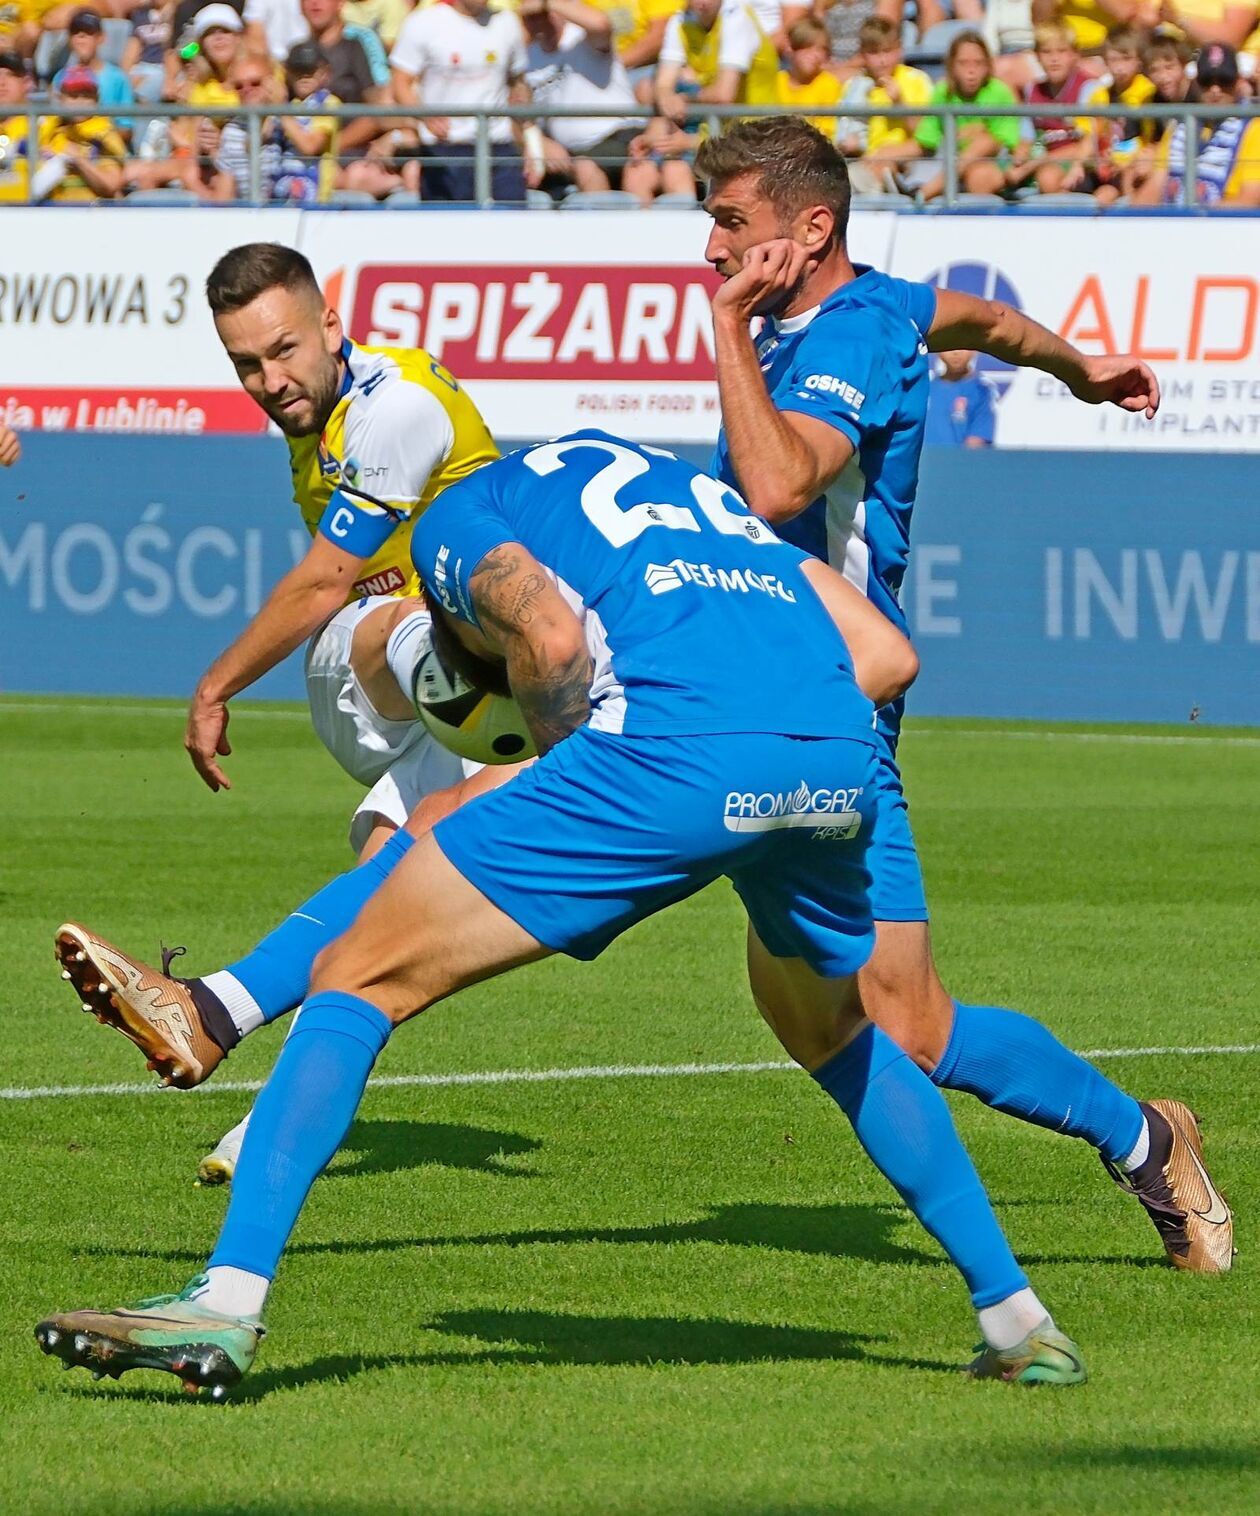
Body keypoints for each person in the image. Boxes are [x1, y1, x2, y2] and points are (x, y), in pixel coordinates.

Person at [41, 430, 1094, 1396]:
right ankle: (1020, 1322)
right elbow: (890, 655)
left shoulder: (458, 518)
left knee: (359, 971)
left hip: (669, 761)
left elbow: (543, 637)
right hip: (836, 758)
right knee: (837, 1031)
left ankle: (225, 1302)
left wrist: (585, 771)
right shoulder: (704, 504)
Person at [695, 115, 1231, 1275]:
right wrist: (1077, 366)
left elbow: (783, 477)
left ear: (811, 227)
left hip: (833, 719)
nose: (711, 246)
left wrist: (728, 325)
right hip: (753, 702)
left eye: (730, 223)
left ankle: (1143, 1140)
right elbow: (979, 320)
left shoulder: (848, 337)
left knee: (906, 1024)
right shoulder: (886, 306)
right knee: (815, 1015)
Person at [389, 0, 532, 202]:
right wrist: (426, 116)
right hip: (446, 148)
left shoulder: (507, 22)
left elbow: (518, 82)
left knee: (510, 224)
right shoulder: (423, 23)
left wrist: (530, 143)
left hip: (499, 146)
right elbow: (400, 82)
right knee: (450, 227)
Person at [521, 0, 656, 201]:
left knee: (588, 167)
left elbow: (601, 24)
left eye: (547, 13)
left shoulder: (582, 38)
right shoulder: (527, 59)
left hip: (619, 136)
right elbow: (517, 112)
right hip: (569, 153)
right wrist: (540, 143)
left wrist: (547, 3)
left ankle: (609, 230)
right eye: (534, 16)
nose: (543, 20)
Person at [1132, 41, 1260, 203]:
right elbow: (1155, 186)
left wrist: (1196, 222)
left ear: (1238, 82)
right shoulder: (1181, 124)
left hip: (1222, 224)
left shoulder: (1254, 128)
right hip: (1174, 220)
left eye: (1224, 81)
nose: (1215, 90)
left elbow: (1250, 198)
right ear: (1196, 83)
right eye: (1207, 82)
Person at [907, 31, 1021, 198]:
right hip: (947, 159)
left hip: (994, 163)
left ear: (988, 66)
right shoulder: (943, 92)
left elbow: (1004, 141)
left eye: (978, 63)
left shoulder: (1000, 92)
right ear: (952, 66)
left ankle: (925, 192)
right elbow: (927, 139)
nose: (971, 72)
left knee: (982, 159)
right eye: (963, 63)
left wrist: (977, 135)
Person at [837, 15, 933, 191]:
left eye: (887, 51)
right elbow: (846, 129)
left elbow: (926, 135)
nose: (882, 60)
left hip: (909, 160)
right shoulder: (854, 86)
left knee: (880, 169)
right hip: (864, 160)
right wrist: (848, 143)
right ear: (862, 55)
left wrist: (899, 103)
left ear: (899, 50)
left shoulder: (917, 80)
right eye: (874, 53)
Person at [1006, 22, 1100, 196]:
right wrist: (1020, 157)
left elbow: (1089, 142)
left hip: (1080, 163)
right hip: (1044, 158)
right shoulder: (1031, 90)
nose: (1054, 59)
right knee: (994, 174)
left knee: (1048, 177)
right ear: (1037, 56)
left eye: (1062, 51)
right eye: (1046, 52)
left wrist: (1033, 165)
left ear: (1075, 55)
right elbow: (1026, 138)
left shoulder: (1089, 88)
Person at [654, 0, 779, 127]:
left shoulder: (737, 17)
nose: (703, 2)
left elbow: (723, 95)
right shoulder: (680, 21)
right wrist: (667, 99)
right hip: (720, 131)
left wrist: (684, 100)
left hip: (761, 130)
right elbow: (663, 84)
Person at [272, 37, 340, 200]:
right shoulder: (288, 103)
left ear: (324, 72)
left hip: (315, 196)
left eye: (310, 70)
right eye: (297, 69)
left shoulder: (329, 103)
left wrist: (281, 111)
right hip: (282, 189)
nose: (304, 76)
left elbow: (310, 147)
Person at [775, 17, 844, 141]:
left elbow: (827, 130)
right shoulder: (776, 81)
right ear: (791, 49)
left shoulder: (828, 84)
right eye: (807, 47)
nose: (815, 55)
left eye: (822, 49)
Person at [924, 349, 996, 447]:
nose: (956, 353)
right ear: (938, 350)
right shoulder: (925, 388)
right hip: (923, 459)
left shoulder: (981, 392)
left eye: (962, 346)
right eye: (949, 346)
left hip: (959, 460)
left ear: (974, 350)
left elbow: (978, 439)